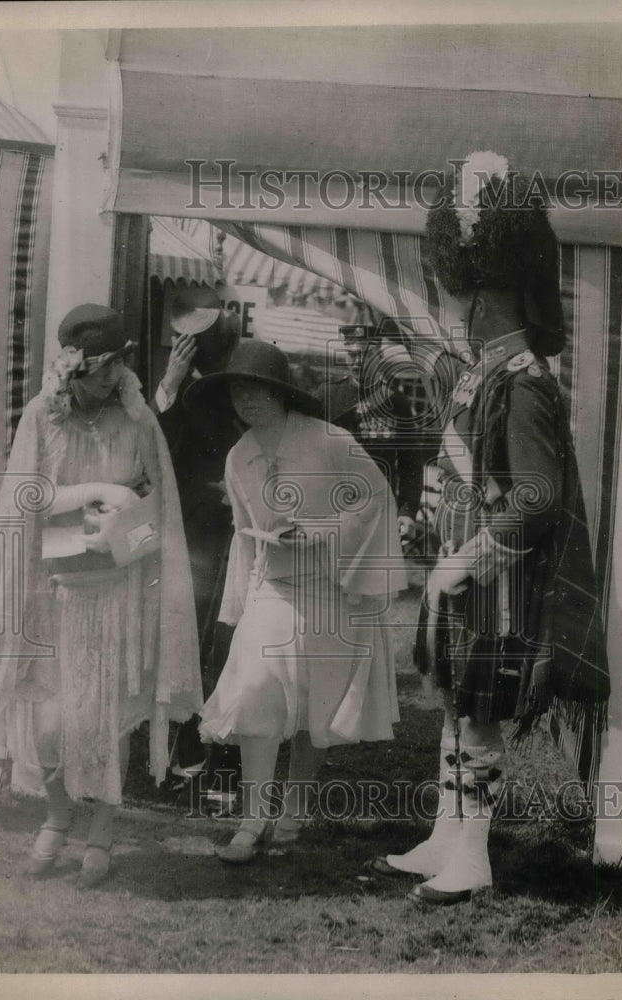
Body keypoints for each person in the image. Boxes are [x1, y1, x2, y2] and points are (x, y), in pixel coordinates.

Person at [369, 151, 610, 904]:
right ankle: (447, 833)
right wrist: (435, 528)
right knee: (454, 703)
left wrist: (467, 559)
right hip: (469, 571)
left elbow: (537, 496)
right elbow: (467, 466)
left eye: (458, 290)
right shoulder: (485, 373)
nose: (449, 301)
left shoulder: (525, 381)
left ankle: (474, 853)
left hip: (496, 581)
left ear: (485, 298)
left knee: (478, 717)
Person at [0, 304, 202, 888]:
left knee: (106, 717)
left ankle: (101, 831)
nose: (113, 375)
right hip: (54, 590)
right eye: (103, 366)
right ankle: (56, 815)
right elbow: (25, 497)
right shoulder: (42, 416)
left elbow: (161, 507)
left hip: (118, 589)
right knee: (47, 719)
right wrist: (92, 490)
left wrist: (129, 527)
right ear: (76, 368)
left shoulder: (137, 418)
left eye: (119, 363)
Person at [185, 340, 408, 863]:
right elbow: (244, 535)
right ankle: (252, 817)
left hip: (330, 592)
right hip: (274, 589)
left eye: (259, 390)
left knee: (316, 704)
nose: (249, 401)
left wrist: (323, 531)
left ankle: (295, 808)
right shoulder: (240, 458)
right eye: (240, 391)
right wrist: (238, 607)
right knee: (257, 692)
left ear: (282, 394)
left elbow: (375, 499)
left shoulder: (330, 441)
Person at [152, 285, 243, 805]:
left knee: (228, 646)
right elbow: (155, 455)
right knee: (192, 644)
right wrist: (168, 384)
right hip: (195, 538)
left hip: (238, 535)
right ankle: (187, 757)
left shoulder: (238, 384)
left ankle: (221, 760)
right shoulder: (177, 393)